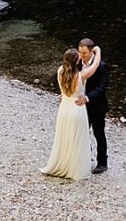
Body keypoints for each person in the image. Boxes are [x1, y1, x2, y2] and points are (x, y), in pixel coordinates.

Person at [42, 45, 99, 181]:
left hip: (64, 109)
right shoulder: (81, 75)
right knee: (78, 139)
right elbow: (95, 64)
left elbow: (64, 91)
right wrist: (98, 51)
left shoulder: (60, 71)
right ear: (77, 61)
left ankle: (63, 164)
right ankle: (75, 169)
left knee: (64, 138)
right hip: (77, 110)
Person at [78, 38, 110, 173]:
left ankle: (102, 162)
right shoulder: (78, 63)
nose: (82, 55)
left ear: (91, 51)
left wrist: (87, 97)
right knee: (82, 134)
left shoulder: (102, 66)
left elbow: (101, 88)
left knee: (99, 134)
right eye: (80, 52)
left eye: (84, 53)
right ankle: (85, 159)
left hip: (96, 106)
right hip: (81, 106)